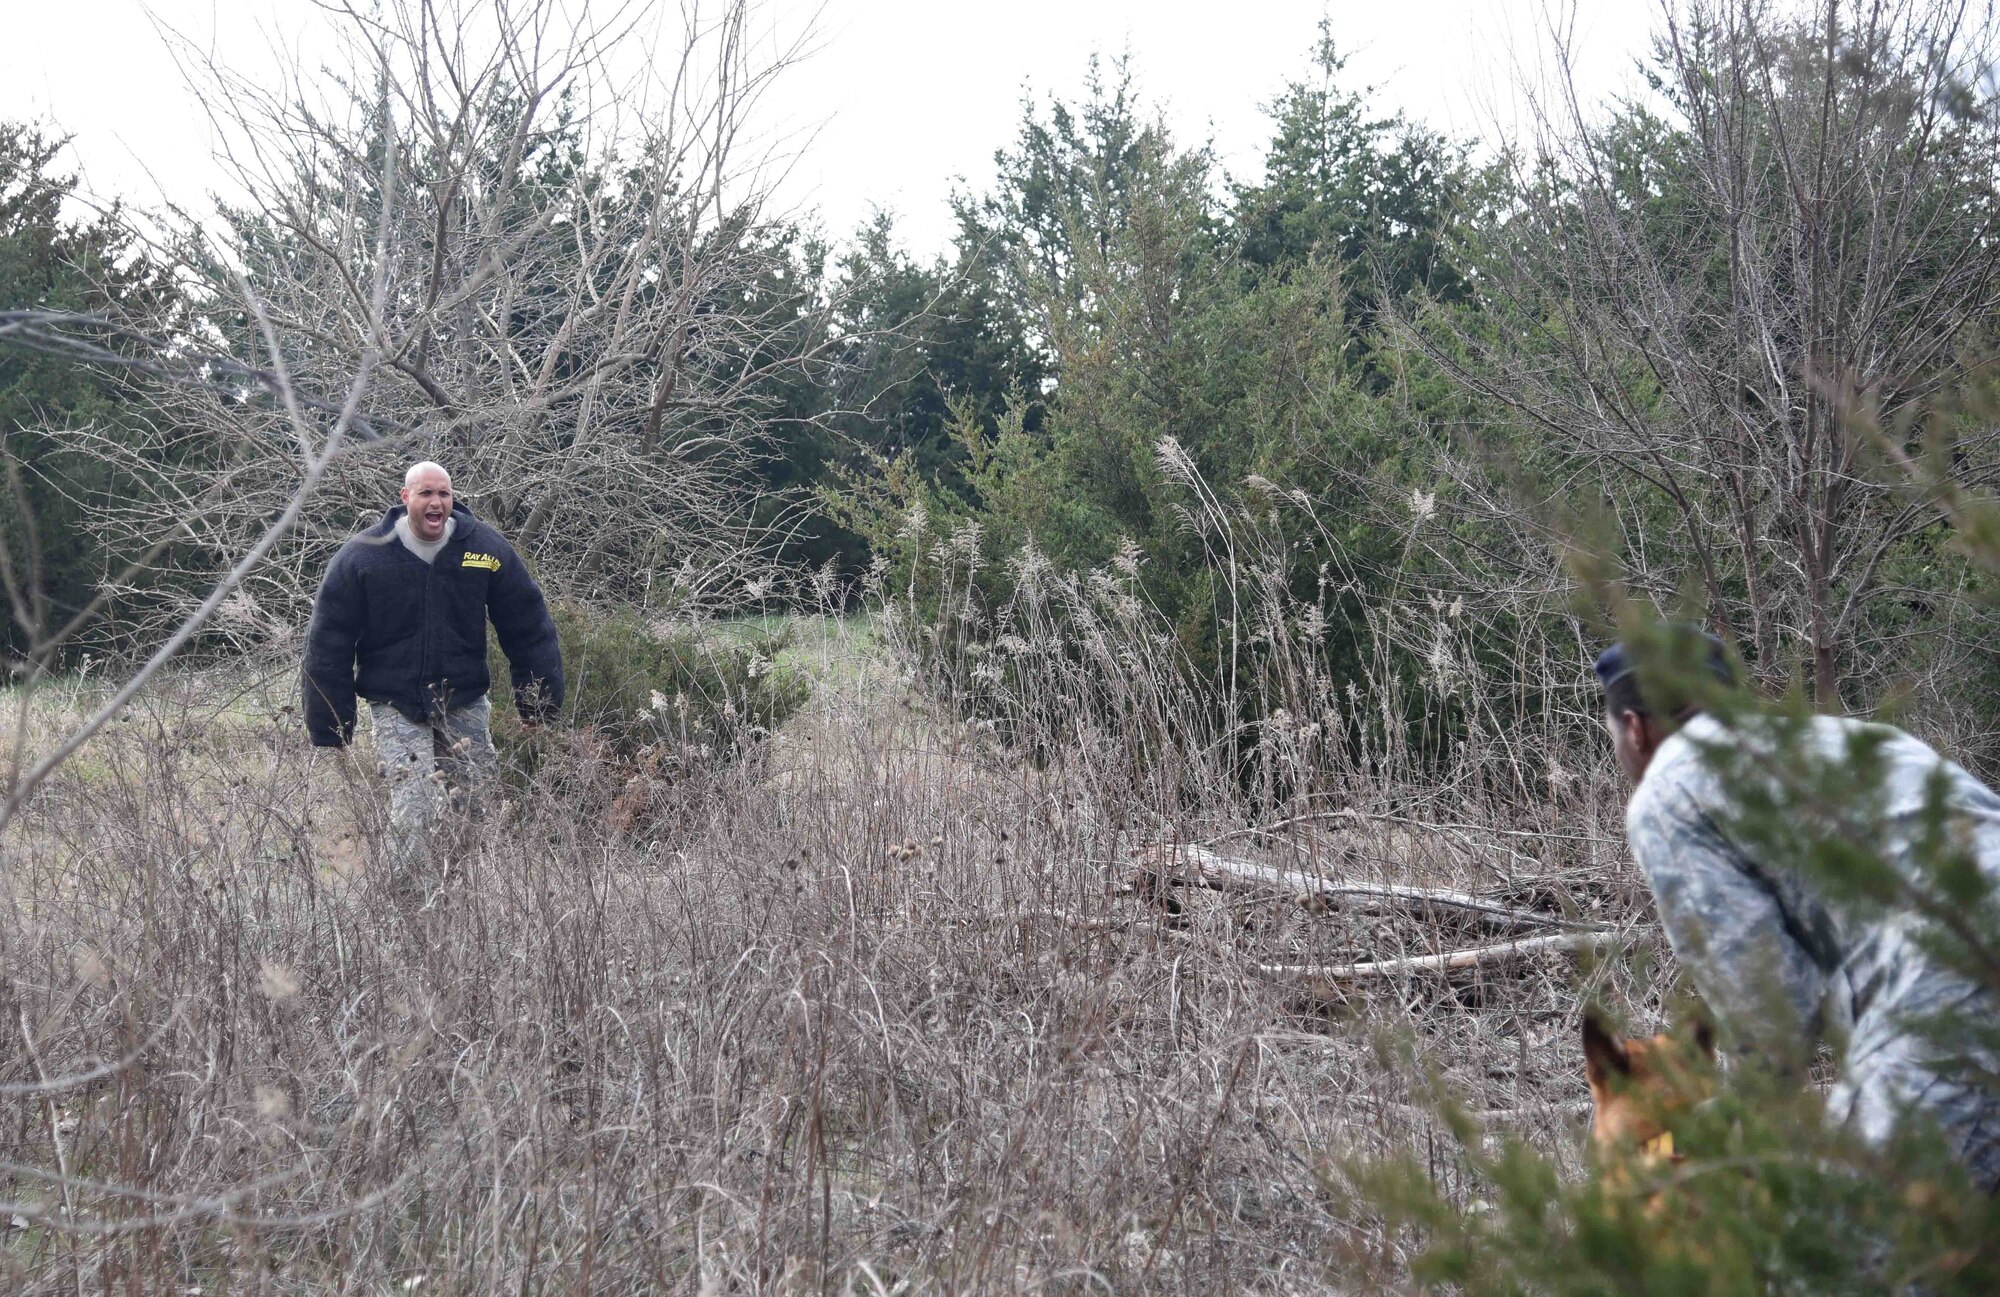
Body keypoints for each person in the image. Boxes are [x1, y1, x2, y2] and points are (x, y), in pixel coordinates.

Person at [1598, 632, 2000, 1190]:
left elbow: (1772, 1015)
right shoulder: (1854, 737)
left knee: (1864, 1245)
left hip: (1956, 986)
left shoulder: (1670, 788)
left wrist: (1708, 1141)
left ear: (1636, 730)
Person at [303, 461, 563, 893]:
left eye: (443, 494)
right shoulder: (364, 555)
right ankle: (407, 909)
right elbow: (328, 642)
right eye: (425, 493)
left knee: (477, 806)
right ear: (405, 499)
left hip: (465, 699)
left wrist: (539, 703)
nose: (436, 502)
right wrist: (331, 727)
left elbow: (528, 624)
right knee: (414, 809)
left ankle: (466, 897)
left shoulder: (483, 549)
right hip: (395, 703)